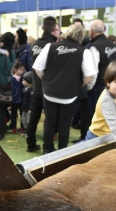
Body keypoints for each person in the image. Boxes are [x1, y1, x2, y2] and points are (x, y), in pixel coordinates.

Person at [33, 23, 95, 153]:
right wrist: (79, 85)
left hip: (49, 91)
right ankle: (62, 152)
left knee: (49, 122)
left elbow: (37, 67)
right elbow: (90, 75)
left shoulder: (50, 46)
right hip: (70, 95)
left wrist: (46, 80)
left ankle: (47, 150)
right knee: (64, 124)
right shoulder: (84, 52)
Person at [26, 16, 58, 153]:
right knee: (50, 119)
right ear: (53, 29)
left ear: (43, 28)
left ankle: (30, 143)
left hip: (36, 87)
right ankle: (47, 146)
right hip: (49, 88)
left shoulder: (35, 44)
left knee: (34, 116)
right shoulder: (54, 46)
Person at [87, 19, 116, 117]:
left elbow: (93, 72)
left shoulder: (94, 47)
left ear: (91, 31)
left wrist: (89, 88)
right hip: (112, 85)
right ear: (104, 30)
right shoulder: (113, 45)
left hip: (98, 86)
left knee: (95, 116)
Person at [10, 61, 25, 133]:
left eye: (23, 70)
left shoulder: (24, 78)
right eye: (20, 70)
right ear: (15, 69)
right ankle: (14, 128)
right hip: (14, 99)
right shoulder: (11, 78)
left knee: (22, 114)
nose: (22, 71)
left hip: (22, 99)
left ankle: (22, 127)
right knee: (13, 114)